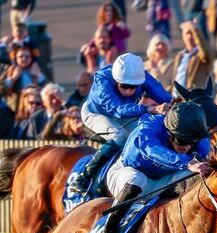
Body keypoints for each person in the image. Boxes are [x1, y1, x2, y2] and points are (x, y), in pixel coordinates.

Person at [96, 102, 211, 233]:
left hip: (160, 181)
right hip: (127, 174)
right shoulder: (149, 126)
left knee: (199, 176)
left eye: (192, 142)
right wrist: (187, 162)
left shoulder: (200, 139)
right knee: (138, 179)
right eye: (181, 141)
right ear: (169, 133)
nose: (186, 147)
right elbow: (151, 150)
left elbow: (206, 157)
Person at [72, 53, 172, 196]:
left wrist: (177, 103)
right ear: (115, 80)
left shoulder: (142, 76)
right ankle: (84, 177)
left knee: (141, 134)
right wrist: (151, 108)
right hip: (96, 113)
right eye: (124, 86)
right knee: (120, 136)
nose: (129, 91)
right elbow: (118, 109)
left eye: (133, 87)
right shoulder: (102, 80)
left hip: (127, 112)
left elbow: (164, 96)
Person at [171, 21, 212, 91]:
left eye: (192, 33)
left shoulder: (201, 55)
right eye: (187, 33)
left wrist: (195, 29)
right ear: (183, 36)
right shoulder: (180, 55)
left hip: (193, 95)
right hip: (177, 95)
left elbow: (206, 54)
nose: (190, 36)